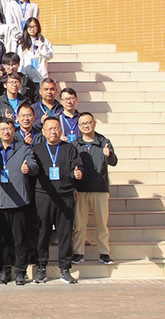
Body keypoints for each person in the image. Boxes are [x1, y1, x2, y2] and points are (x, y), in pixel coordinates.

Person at [32, 117, 84, 284]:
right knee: (43, 233)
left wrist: (77, 173)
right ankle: (41, 268)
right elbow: (32, 170)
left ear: (61, 130)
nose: (53, 132)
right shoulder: (37, 149)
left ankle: (65, 268)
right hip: (43, 196)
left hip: (65, 196)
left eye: (56, 128)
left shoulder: (69, 148)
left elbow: (77, 166)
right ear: (43, 131)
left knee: (65, 234)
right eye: (49, 129)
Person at [0, 117, 38, 285]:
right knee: (3, 240)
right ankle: (4, 271)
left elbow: (34, 165)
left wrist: (28, 168)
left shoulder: (23, 148)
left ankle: (20, 271)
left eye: (9, 128)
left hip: (19, 202)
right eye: (2, 129)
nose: (6, 132)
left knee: (20, 239)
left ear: (14, 130)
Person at [71, 112, 118, 266]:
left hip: (100, 189)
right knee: (79, 224)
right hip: (81, 189)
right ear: (78, 126)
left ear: (94, 123)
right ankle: (78, 252)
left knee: (102, 224)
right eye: (82, 124)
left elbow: (114, 162)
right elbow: (71, 166)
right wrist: (73, 185)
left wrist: (108, 155)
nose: (86, 126)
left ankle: (104, 253)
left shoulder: (104, 142)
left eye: (89, 122)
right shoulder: (75, 144)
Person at [17, 17, 54, 84]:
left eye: (34, 26)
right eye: (30, 27)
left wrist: (40, 45)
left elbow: (49, 56)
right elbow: (20, 59)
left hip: (41, 76)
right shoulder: (22, 42)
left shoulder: (44, 41)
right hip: (27, 77)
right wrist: (22, 74)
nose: (32, 29)